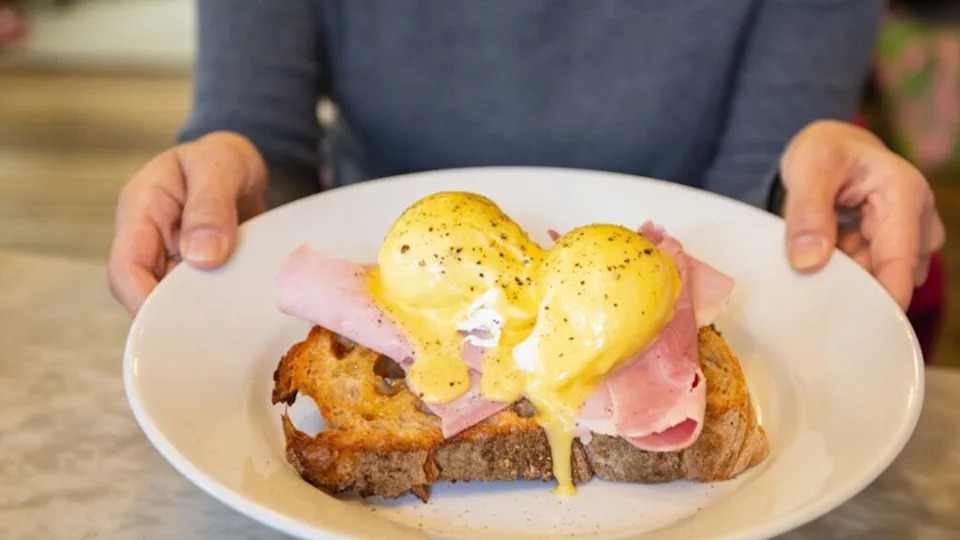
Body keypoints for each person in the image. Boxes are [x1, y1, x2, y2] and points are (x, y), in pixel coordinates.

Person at [108, 1, 945, 318]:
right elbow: (265, 143)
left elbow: (757, 196)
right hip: (390, 279)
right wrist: (221, 168)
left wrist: (809, 192)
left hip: (661, 294)